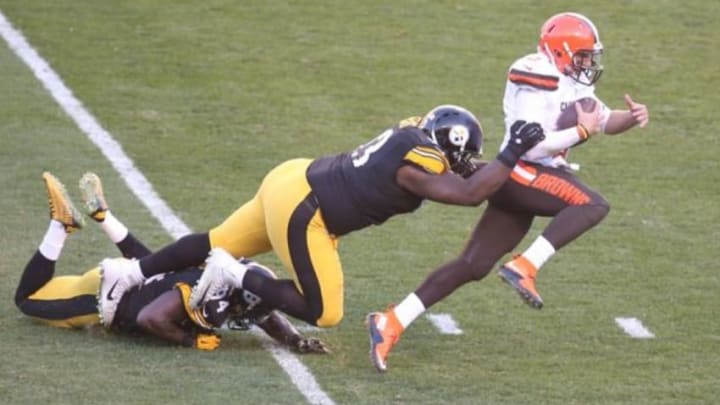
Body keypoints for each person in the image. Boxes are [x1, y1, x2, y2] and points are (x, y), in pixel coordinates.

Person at [366, 12, 650, 372]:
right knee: (591, 204)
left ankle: (389, 322)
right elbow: (530, 147)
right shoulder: (536, 74)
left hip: (527, 178)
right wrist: (580, 134)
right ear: (559, 52)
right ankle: (525, 266)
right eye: (582, 55)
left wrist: (630, 118)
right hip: (520, 171)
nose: (587, 64)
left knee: (473, 264)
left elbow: (602, 119)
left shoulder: (573, 81)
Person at [98, 105, 545, 329]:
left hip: (292, 177)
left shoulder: (414, 133)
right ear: (445, 147)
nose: (465, 163)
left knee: (213, 237)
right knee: (325, 311)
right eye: (462, 155)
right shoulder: (420, 165)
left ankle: (131, 271)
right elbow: (469, 194)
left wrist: (520, 159)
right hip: (307, 212)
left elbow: (470, 177)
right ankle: (232, 273)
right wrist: (511, 153)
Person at [15, 172, 328, 353]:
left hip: (133, 279)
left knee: (154, 264)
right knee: (28, 299)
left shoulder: (225, 280)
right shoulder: (204, 290)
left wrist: (295, 340)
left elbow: (264, 315)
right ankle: (61, 225)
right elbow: (151, 318)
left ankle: (104, 217)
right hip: (104, 299)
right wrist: (189, 339)